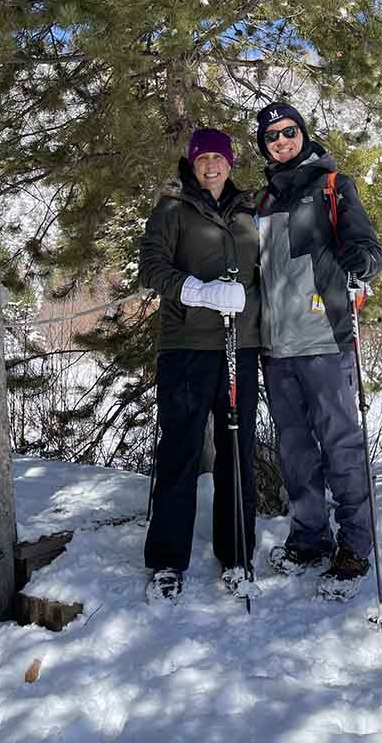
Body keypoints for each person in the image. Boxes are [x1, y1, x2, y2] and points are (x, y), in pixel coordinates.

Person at [255, 102, 382, 601]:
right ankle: (309, 537)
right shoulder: (262, 200)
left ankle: (355, 543)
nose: (282, 141)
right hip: (277, 346)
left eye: (289, 132)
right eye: (272, 136)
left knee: (341, 444)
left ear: (303, 134)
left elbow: (366, 245)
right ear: (264, 145)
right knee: (295, 451)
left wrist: (364, 262)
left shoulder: (333, 186)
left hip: (325, 337)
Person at [139, 128, 260, 604]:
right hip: (187, 346)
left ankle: (237, 554)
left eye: (219, 157)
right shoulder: (172, 209)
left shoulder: (249, 211)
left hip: (241, 346)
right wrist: (200, 291)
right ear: (191, 164)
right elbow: (151, 268)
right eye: (202, 158)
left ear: (231, 163)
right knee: (181, 450)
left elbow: (271, 270)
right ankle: (168, 560)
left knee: (237, 450)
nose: (211, 165)